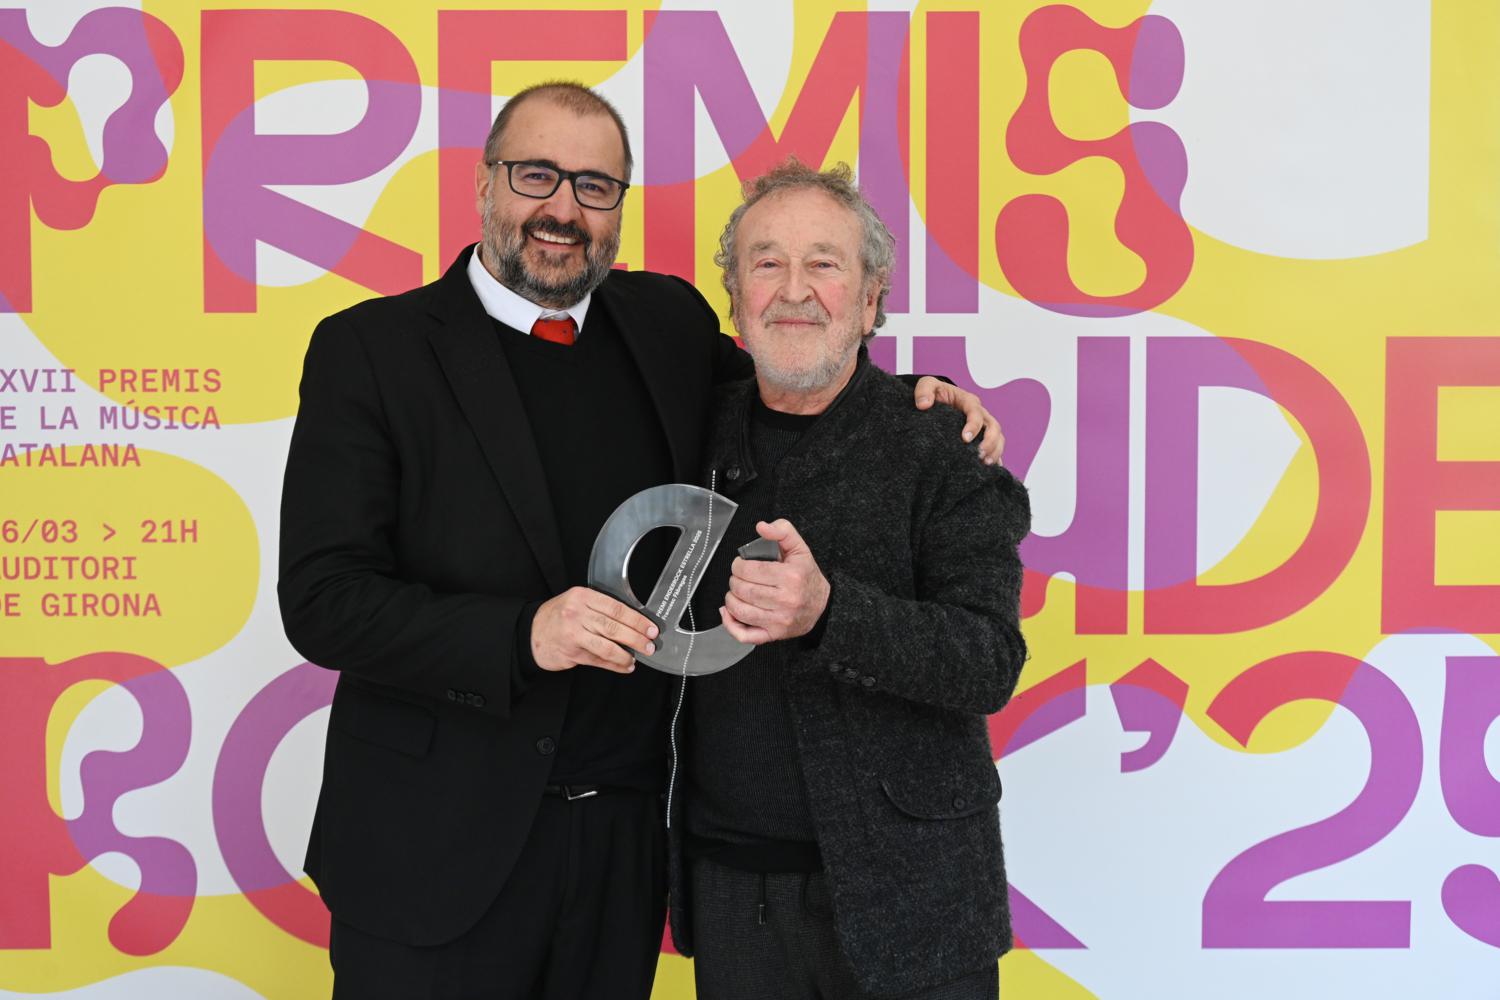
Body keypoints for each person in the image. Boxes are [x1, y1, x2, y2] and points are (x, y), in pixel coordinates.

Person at [277, 82, 1004, 999]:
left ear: (618, 205)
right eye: (536, 175)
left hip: (619, 858)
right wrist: (522, 636)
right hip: (433, 852)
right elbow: (322, 601)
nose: (563, 208)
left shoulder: (666, 325)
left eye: (595, 186)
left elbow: (802, 377)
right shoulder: (370, 350)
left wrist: (923, 401)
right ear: (485, 183)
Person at [668, 159, 1030, 1000]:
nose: (794, 290)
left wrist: (832, 613)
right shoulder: (684, 430)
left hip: (920, 898)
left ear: (870, 301)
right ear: (735, 299)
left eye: (823, 264)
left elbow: (989, 660)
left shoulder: (940, 447)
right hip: (734, 894)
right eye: (767, 262)